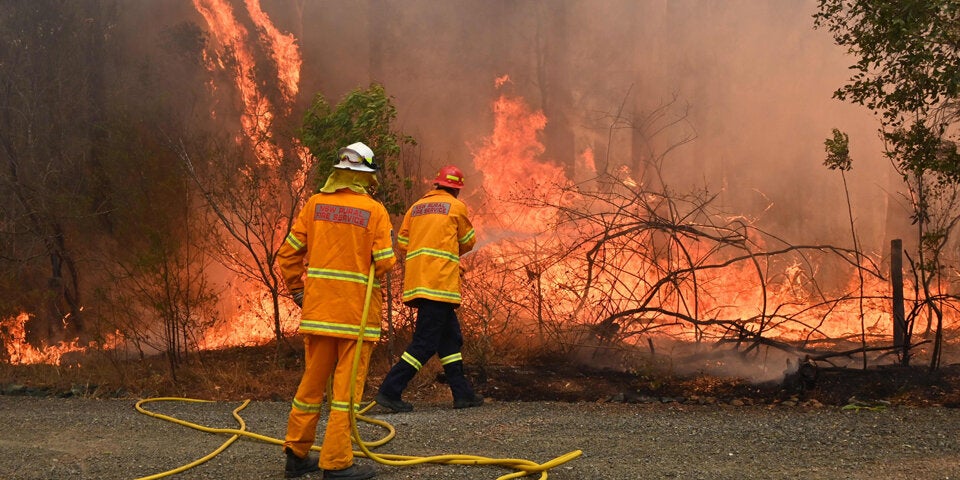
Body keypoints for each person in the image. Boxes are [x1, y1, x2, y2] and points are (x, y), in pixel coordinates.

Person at [277, 142, 396, 479]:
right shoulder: (375, 211)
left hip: (319, 314)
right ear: (366, 177)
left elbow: (288, 255)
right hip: (356, 320)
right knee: (344, 396)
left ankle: (297, 454)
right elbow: (385, 262)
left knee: (310, 388)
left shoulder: (313, 205)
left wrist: (299, 293)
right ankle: (336, 463)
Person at [375, 165, 484, 413]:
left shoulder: (416, 207)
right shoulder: (455, 207)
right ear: (456, 189)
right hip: (440, 284)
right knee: (424, 344)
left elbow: (403, 243)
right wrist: (447, 253)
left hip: (418, 283)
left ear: (437, 184)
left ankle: (462, 393)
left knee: (450, 339)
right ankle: (390, 390)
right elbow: (468, 241)